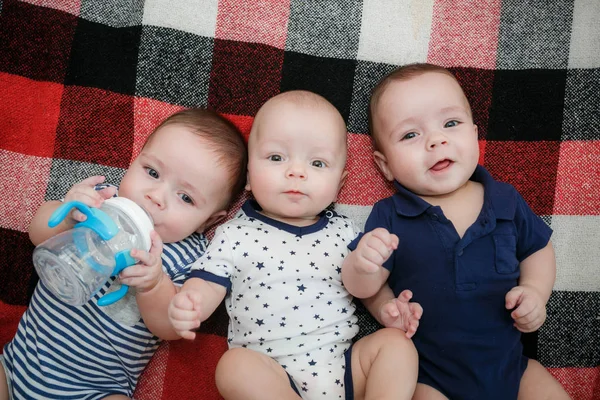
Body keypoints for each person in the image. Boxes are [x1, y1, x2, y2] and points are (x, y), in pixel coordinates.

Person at [168, 90, 422, 400]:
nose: (296, 172)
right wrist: (190, 302)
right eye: (276, 157)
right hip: (272, 375)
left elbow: (363, 288)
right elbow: (208, 285)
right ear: (248, 176)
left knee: (397, 346)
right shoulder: (234, 235)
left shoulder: (343, 231)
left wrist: (385, 306)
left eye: (317, 163)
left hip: (346, 370)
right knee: (234, 366)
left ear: (339, 184)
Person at [341, 63, 571, 400]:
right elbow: (365, 287)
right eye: (410, 135)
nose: (437, 140)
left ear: (475, 135)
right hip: (430, 377)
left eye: (451, 123)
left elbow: (538, 249)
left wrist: (535, 291)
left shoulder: (505, 200)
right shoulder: (390, 216)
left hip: (511, 368)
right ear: (385, 165)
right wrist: (366, 273)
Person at [0, 108, 248, 400]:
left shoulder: (188, 258)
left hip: (96, 390)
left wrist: (154, 285)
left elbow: (169, 327)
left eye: (185, 197)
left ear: (209, 221)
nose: (156, 196)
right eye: (152, 172)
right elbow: (37, 232)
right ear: (134, 161)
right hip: (18, 363)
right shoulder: (103, 201)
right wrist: (68, 214)